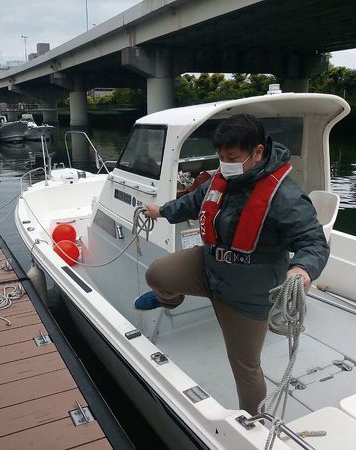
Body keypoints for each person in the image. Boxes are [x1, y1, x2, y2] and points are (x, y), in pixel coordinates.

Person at [134, 114, 329, 415]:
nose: (225, 163)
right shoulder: (220, 178)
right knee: (157, 274)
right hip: (210, 266)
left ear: (258, 152)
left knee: (245, 368)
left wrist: (302, 268)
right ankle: (169, 300)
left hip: (248, 293)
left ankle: (254, 423)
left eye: (233, 157)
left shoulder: (285, 197)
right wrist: (161, 210)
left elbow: (314, 242)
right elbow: (194, 200)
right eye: (221, 157)